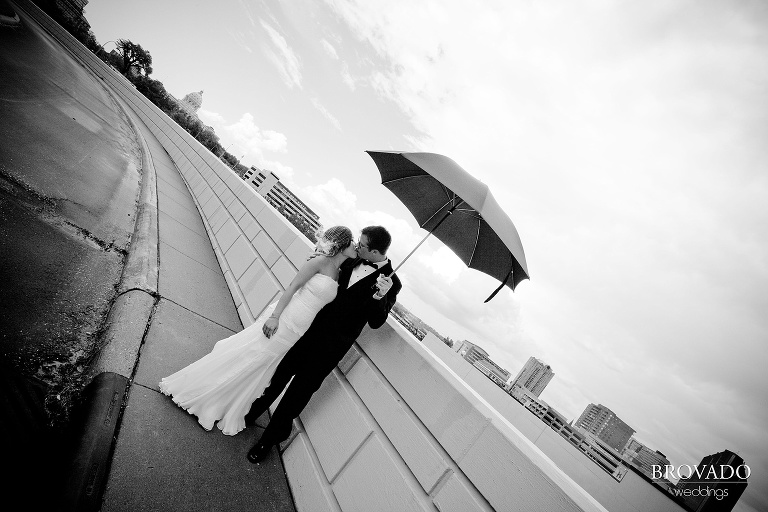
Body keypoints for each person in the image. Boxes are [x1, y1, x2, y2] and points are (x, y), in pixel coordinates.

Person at [158, 226, 358, 436]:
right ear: (343, 245)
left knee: (261, 366)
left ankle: (227, 404)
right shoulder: (318, 261)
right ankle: (203, 394)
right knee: (249, 356)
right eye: (353, 242)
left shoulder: (340, 272)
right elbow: (292, 287)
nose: (355, 246)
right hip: (284, 319)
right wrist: (274, 317)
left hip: (298, 330)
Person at [245, 225, 402, 463]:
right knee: (278, 377)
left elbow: (377, 322)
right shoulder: (351, 260)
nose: (357, 246)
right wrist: (315, 258)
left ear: (376, 252)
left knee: (298, 394)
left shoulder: (392, 283)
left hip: (332, 348)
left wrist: (380, 297)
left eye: (362, 245)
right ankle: (251, 413)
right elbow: (325, 270)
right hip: (308, 332)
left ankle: (268, 440)